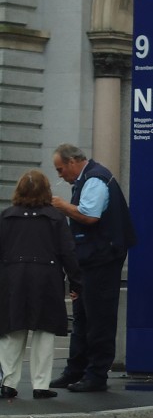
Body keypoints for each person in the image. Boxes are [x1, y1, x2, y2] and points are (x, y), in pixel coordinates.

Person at [48, 144, 137, 393]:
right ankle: (76, 370)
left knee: (98, 318)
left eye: (60, 169)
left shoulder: (95, 179)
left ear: (73, 162)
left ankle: (96, 374)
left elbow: (90, 215)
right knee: (83, 317)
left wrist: (62, 205)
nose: (60, 175)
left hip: (101, 259)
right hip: (91, 259)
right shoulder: (90, 178)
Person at [0, 170, 82, 399]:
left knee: (11, 331)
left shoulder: (6, 216)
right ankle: (40, 384)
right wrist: (76, 283)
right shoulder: (55, 218)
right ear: (47, 190)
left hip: (12, 277)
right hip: (46, 278)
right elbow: (68, 252)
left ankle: (8, 382)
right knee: (44, 333)